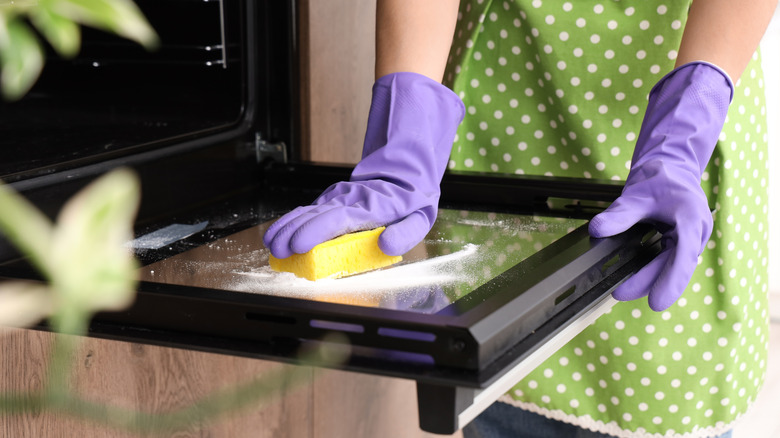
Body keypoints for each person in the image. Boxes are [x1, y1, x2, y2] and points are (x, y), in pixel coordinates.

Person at [264, 0, 778, 436]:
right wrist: (403, 144)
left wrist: (685, 127)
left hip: (686, 93)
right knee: (500, 372)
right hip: (505, 104)